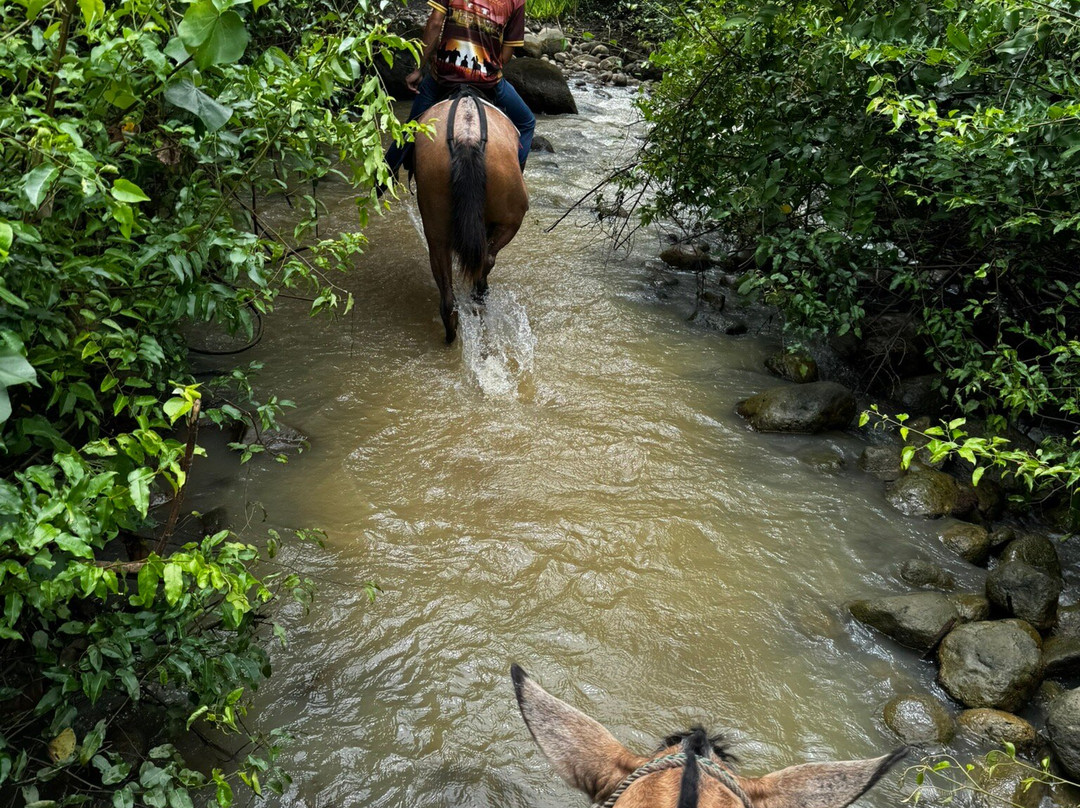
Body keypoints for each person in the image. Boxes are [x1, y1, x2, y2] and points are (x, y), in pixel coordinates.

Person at [382, 0, 536, 189]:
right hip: (487, 83)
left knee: (411, 126)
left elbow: (435, 24)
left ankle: (383, 177)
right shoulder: (517, 2)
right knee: (527, 122)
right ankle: (513, 183)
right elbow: (506, 54)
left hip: (444, 78)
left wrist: (418, 68)